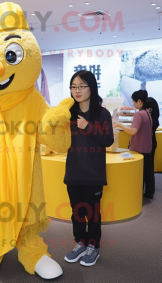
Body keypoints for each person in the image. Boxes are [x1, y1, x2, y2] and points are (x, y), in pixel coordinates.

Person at [64, 70, 114, 267]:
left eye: (81, 86)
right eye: (74, 87)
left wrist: (88, 126)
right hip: (73, 172)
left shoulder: (102, 114)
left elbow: (108, 140)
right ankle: (80, 242)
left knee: (92, 212)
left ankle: (93, 246)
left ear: (91, 88)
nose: (77, 91)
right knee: (77, 211)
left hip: (93, 174)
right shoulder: (68, 114)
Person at [114, 90, 154, 199]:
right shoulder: (147, 113)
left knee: (138, 175)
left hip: (139, 148)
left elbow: (133, 131)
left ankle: (136, 197)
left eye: (134, 101)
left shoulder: (139, 114)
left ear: (139, 101)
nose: (133, 103)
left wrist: (119, 124)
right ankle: (147, 194)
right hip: (147, 147)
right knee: (146, 172)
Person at [143, 97, 160, 198]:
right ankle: (150, 192)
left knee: (146, 169)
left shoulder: (148, 120)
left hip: (147, 144)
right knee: (149, 168)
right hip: (152, 143)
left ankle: (148, 192)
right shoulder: (155, 120)